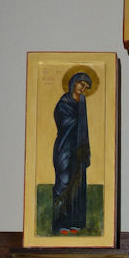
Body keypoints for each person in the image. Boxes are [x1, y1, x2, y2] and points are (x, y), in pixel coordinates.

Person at [52, 72, 92, 235]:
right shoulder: (63, 103)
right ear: (73, 83)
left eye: (86, 87)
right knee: (64, 181)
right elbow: (63, 122)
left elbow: (84, 127)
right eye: (81, 84)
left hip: (79, 149)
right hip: (65, 147)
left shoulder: (82, 102)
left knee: (78, 184)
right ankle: (60, 224)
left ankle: (75, 222)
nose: (83, 89)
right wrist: (78, 121)